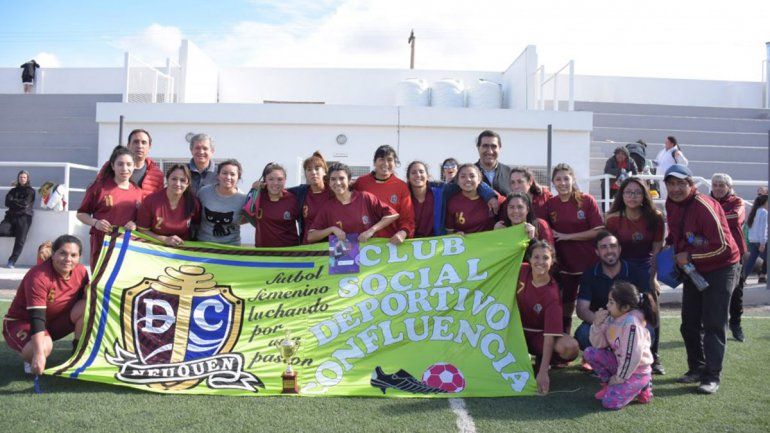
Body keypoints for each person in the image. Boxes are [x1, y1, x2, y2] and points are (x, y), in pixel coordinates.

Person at [664, 164, 739, 394]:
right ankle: (696, 368)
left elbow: (725, 248)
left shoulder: (704, 205)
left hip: (721, 268)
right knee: (689, 323)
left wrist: (690, 255)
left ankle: (712, 376)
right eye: (671, 184)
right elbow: (677, 234)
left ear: (691, 185)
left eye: (680, 184)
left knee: (714, 323)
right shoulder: (671, 203)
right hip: (693, 268)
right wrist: (669, 249)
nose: (675, 189)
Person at [2, 235, 89, 375]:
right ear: (53, 254)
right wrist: (37, 354)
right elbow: (36, 317)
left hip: (52, 322)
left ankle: (77, 354)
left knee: (87, 306)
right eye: (63, 253)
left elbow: (82, 302)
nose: (68, 259)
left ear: (79, 257)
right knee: (42, 348)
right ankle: (31, 354)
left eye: (73, 255)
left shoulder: (81, 272)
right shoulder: (39, 276)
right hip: (23, 322)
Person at [605, 177, 665, 373]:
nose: (632, 196)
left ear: (644, 196)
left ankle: (653, 357)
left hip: (645, 268)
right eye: (628, 192)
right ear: (622, 195)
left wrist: (653, 277)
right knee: (620, 312)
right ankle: (617, 355)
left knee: (649, 311)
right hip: (621, 270)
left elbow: (656, 250)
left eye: (637, 193)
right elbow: (608, 249)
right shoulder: (612, 218)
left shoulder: (655, 217)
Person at [575, 232, 652, 366]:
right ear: (597, 252)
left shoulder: (636, 273)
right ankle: (608, 360)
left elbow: (646, 306)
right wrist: (605, 323)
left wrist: (623, 324)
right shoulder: (589, 274)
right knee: (583, 333)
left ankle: (630, 361)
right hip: (602, 323)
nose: (609, 250)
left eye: (613, 246)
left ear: (619, 249)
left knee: (648, 330)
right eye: (604, 247)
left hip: (629, 324)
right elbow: (582, 309)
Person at [544, 163, 604, 334]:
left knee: (593, 307)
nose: (562, 183)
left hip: (589, 264)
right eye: (558, 179)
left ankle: (598, 344)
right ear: (553, 182)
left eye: (566, 178)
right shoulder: (551, 204)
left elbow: (598, 231)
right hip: (565, 266)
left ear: (573, 179)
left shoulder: (586, 200)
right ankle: (564, 340)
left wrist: (567, 237)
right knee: (566, 305)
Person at [516, 241, 579, 395]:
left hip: (538, 336)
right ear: (529, 259)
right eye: (536, 257)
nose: (540, 262)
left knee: (570, 348)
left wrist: (544, 372)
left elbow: (550, 336)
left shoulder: (552, 293)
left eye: (545, 258)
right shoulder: (520, 270)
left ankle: (541, 361)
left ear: (552, 261)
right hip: (515, 332)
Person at [584, 281, 655, 410]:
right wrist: (597, 325)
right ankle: (609, 386)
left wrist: (619, 378)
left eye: (611, 302)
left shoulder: (631, 324)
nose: (607, 305)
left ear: (625, 307)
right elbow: (598, 344)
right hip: (622, 365)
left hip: (637, 371)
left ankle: (644, 383)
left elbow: (632, 356)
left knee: (610, 403)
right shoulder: (613, 318)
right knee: (590, 352)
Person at [77, 146, 143, 271]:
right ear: (113, 166)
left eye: (129, 164)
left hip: (126, 246)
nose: (125, 168)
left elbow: (142, 219)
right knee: (100, 280)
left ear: (134, 166)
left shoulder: (138, 192)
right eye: (120, 164)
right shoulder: (98, 187)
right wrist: (95, 223)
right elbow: (81, 214)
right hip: (102, 243)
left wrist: (135, 224)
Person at [307, 162, 399, 244]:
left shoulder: (365, 197)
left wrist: (371, 231)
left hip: (369, 255)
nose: (338, 183)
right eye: (333, 179)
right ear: (329, 183)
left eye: (342, 178)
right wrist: (332, 229)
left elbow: (393, 215)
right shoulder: (328, 207)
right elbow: (310, 236)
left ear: (349, 180)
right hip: (343, 258)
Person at [407, 161, 499, 237]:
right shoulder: (403, 194)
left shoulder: (440, 191)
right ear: (408, 177)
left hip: (435, 243)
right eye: (413, 172)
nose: (418, 175)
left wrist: (489, 195)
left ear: (428, 176)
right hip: (408, 244)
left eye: (421, 171)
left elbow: (470, 183)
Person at [710, 173, 747, 342]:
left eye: (721, 185)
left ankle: (736, 324)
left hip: (735, 253)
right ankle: (710, 325)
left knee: (736, 292)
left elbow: (734, 218)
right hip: (710, 253)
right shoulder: (704, 200)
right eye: (715, 184)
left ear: (729, 188)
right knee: (709, 291)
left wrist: (709, 217)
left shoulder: (737, 202)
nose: (717, 188)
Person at [353, 145, 414, 244]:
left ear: (395, 163)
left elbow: (407, 218)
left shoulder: (401, 186)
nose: (385, 163)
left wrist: (403, 233)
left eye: (390, 160)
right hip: (362, 242)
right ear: (374, 162)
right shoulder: (361, 182)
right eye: (381, 159)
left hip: (390, 244)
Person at [137, 164, 201, 247]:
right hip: (155, 246)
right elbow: (142, 230)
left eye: (182, 180)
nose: (178, 183)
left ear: (188, 183)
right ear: (167, 179)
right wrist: (164, 239)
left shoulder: (193, 202)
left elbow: (198, 224)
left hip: (182, 249)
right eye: (174, 179)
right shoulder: (151, 201)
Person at [95, 129, 164, 198]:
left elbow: (159, 200)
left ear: (149, 146)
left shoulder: (157, 173)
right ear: (128, 145)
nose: (140, 146)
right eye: (136, 142)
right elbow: (97, 189)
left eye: (144, 142)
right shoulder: (112, 165)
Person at [245, 163, 300, 247]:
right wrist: (254, 188)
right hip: (264, 253)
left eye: (280, 179)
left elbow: (305, 222)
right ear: (264, 181)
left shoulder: (294, 199)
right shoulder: (257, 197)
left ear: (285, 180)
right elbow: (247, 212)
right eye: (271, 179)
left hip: (289, 253)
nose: (275, 183)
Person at [196, 159, 248, 246]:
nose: (228, 177)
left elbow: (249, 218)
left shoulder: (243, 198)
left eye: (232, 174)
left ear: (238, 177)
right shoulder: (204, 192)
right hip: (204, 244)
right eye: (224, 173)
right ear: (218, 175)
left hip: (231, 247)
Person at [287, 151, 332, 244]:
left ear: (324, 172)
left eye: (317, 169)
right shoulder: (301, 192)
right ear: (305, 174)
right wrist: (262, 186)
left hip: (334, 245)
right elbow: (278, 190)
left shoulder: (334, 191)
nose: (313, 172)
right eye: (309, 170)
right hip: (308, 246)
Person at [445, 164, 502, 235]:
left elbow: (510, 207)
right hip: (464, 245)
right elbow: (448, 231)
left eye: (472, 176)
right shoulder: (452, 202)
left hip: (489, 244)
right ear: (458, 181)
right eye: (463, 177)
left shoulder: (493, 198)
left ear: (479, 180)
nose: (468, 179)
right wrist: (455, 234)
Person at [0, 170, 35, 268]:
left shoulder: (30, 191)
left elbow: (25, 204)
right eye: (20, 177)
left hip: (24, 217)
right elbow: (7, 202)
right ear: (18, 178)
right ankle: (19, 232)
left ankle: (12, 261)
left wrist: (13, 202)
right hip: (10, 217)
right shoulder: (13, 190)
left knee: (20, 241)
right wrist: (18, 203)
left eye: (24, 177)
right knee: (2, 230)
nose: (22, 179)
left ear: (27, 179)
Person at [474, 130, 512, 195]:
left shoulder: (509, 173)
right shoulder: (468, 173)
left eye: (494, 146)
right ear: (478, 148)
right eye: (485, 146)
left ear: (499, 148)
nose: (490, 151)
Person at [743, 194, 768, 287]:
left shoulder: (754, 212)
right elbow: (763, 229)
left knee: (751, 261)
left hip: (753, 241)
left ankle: (742, 279)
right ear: (765, 202)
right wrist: (763, 243)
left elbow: (751, 228)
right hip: (760, 241)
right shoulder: (764, 212)